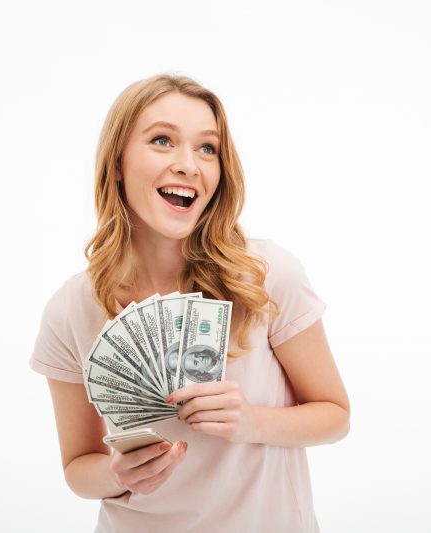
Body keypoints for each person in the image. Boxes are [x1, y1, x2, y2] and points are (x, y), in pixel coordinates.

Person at [29, 73, 350, 533]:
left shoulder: (265, 276)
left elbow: (335, 415)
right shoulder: (70, 309)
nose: (189, 165)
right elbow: (78, 467)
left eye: (207, 148)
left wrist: (252, 423)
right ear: (117, 162)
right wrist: (117, 474)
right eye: (162, 140)